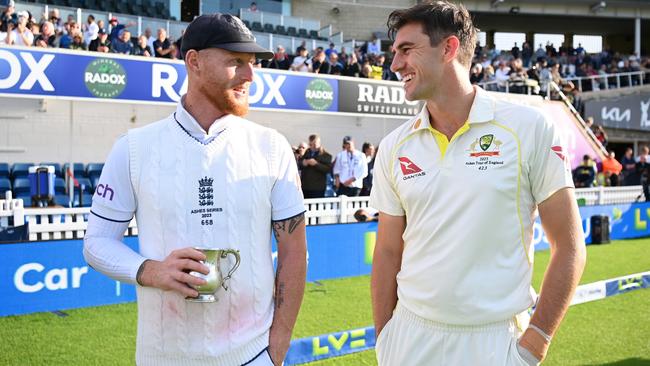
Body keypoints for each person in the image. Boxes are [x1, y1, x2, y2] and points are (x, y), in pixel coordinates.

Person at [83, 13, 306, 366]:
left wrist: (276, 348)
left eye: (252, 64)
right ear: (194, 62)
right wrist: (150, 270)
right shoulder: (134, 147)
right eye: (237, 62)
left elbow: (294, 251)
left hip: (253, 355)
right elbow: (96, 243)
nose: (251, 75)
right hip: (163, 356)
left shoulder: (272, 146)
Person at [371, 2, 586, 366]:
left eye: (406, 50)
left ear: (449, 48)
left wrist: (536, 342)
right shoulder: (394, 146)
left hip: (494, 340)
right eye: (394, 53)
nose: (395, 64)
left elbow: (569, 245)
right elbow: (388, 251)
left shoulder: (528, 128)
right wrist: (385, 338)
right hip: (409, 339)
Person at [300, 134, 333, 199]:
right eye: (310, 144)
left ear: (319, 143)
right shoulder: (307, 152)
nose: (312, 147)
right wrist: (303, 163)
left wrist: (316, 164)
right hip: (305, 187)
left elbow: (327, 169)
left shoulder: (326, 155)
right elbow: (299, 164)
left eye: (314, 144)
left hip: (317, 188)